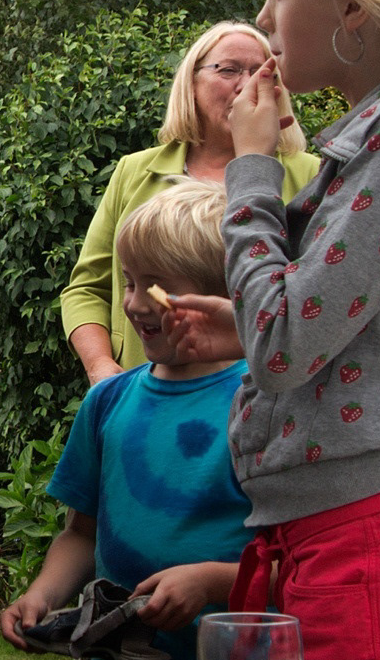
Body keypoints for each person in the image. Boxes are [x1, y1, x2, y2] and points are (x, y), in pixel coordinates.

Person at [163, 0, 380, 660]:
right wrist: (241, 325)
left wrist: (253, 167)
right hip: (328, 530)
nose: (264, 18)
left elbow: (289, 341)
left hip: (359, 540)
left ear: (351, 6)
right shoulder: (378, 133)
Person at [0, 182, 248, 660]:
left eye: (153, 286)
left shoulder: (259, 403)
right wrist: (41, 595)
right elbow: (80, 533)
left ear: (217, 297)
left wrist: (210, 582)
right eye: (128, 282)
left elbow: (288, 555)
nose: (133, 303)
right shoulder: (109, 402)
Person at [61, 20, 320, 386]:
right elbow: (87, 288)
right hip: (148, 390)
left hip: (264, 395)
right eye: (228, 70)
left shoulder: (309, 174)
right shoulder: (134, 171)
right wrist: (100, 366)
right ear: (191, 83)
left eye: (262, 73)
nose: (246, 85)